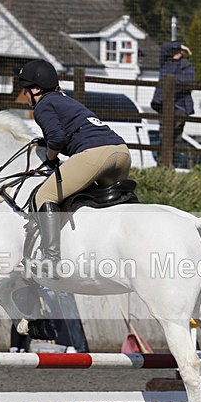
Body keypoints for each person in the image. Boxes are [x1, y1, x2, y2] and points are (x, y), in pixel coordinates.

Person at [14, 59, 131, 277]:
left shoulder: (43, 106)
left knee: (44, 196)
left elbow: (56, 139)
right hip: (121, 152)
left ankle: (50, 260)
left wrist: (50, 156)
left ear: (36, 89)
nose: (25, 96)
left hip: (95, 154)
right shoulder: (66, 101)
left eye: (25, 90)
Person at [150, 41, 194, 145]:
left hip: (180, 105)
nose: (178, 52)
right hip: (164, 102)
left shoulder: (186, 65)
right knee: (164, 133)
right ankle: (163, 160)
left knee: (176, 135)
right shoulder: (165, 62)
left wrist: (171, 82)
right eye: (176, 50)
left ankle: (173, 159)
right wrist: (181, 46)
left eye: (180, 51)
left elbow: (188, 80)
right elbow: (164, 46)